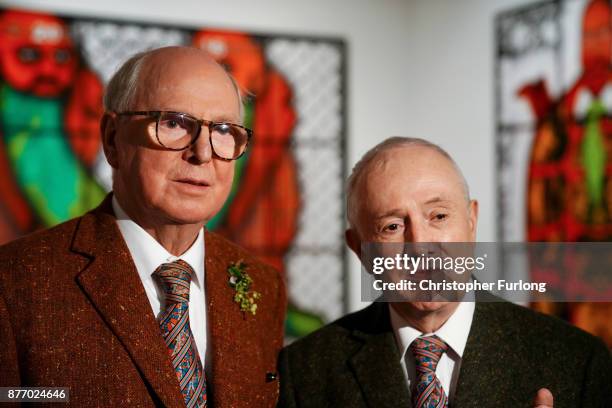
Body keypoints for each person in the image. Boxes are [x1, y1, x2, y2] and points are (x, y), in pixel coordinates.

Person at [0, 46, 286, 408]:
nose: (202, 152)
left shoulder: (263, 285)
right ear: (112, 138)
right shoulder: (15, 281)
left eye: (224, 130)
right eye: (174, 123)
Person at [278, 137, 611, 407]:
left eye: (438, 216)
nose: (420, 244)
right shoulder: (305, 373)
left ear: (471, 222)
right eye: (392, 226)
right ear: (359, 248)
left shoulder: (577, 361)